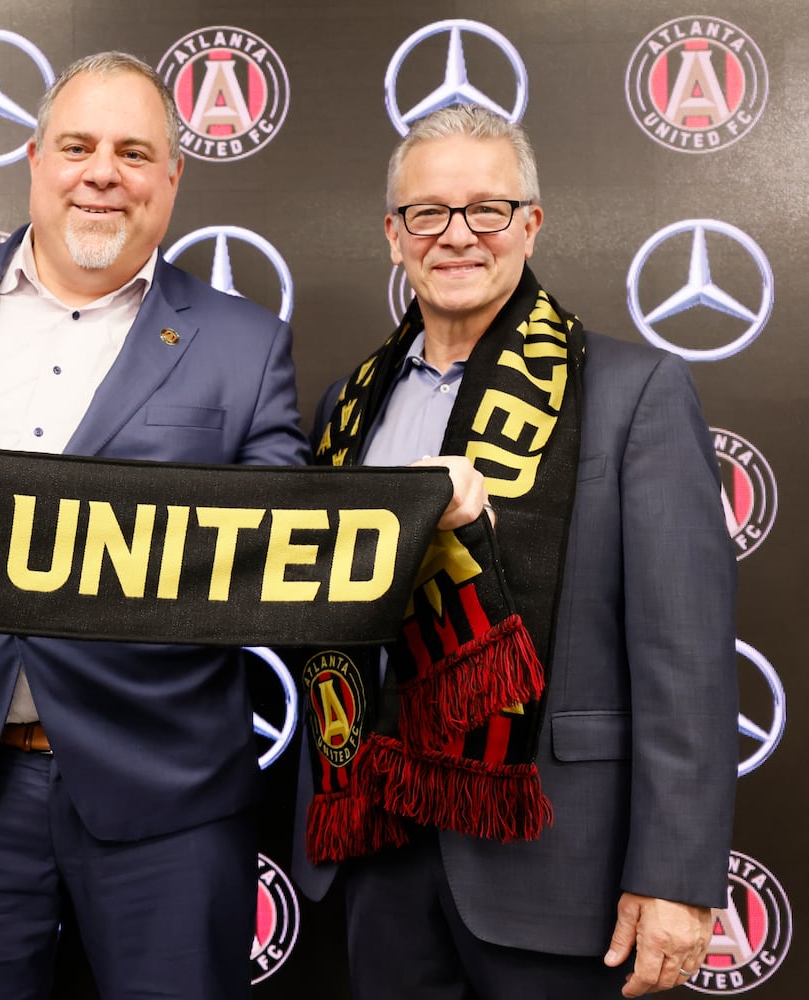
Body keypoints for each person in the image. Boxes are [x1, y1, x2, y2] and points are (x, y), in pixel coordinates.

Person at [0, 50, 304, 999]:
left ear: (172, 178)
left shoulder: (246, 344)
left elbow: (281, 545)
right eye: (78, 145)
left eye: (135, 153)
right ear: (34, 158)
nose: (103, 172)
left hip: (166, 797)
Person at [290, 104, 738, 999]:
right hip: (378, 848)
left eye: (488, 209)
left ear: (530, 225)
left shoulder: (633, 391)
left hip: (557, 861)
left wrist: (679, 877)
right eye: (428, 213)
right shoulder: (349, 406)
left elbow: (684, 654)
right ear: (394, 236)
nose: (458, 236)